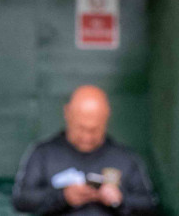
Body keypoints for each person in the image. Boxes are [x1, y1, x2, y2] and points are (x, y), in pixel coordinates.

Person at [11, 86, 156, 215]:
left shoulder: (125, 158)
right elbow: (21, 200)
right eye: (80, 128)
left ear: (106, 118)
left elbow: (149, 205)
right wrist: (63, 196)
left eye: (94, 130)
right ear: (67, 114)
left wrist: (120, 199)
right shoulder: (43, 154)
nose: (86, 136)